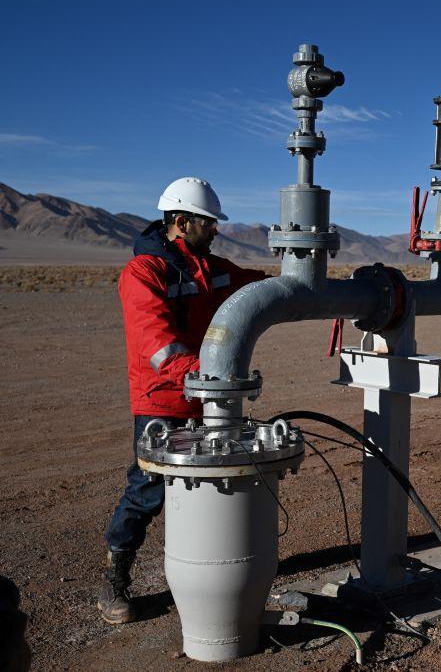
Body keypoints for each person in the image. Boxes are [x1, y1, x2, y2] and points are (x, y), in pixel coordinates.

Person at [98, 177, 267, 624]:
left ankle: (213, 569)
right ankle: (115, 575)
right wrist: (204, 375)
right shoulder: (144, 273)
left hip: (208, 398)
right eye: (208, 223)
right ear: (181, 221)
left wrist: (305, 286)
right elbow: (157, 344)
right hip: (164, 400)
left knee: (216, 484)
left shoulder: (211, 268)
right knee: (147, 488)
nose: (215, 231)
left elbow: (256, 288)